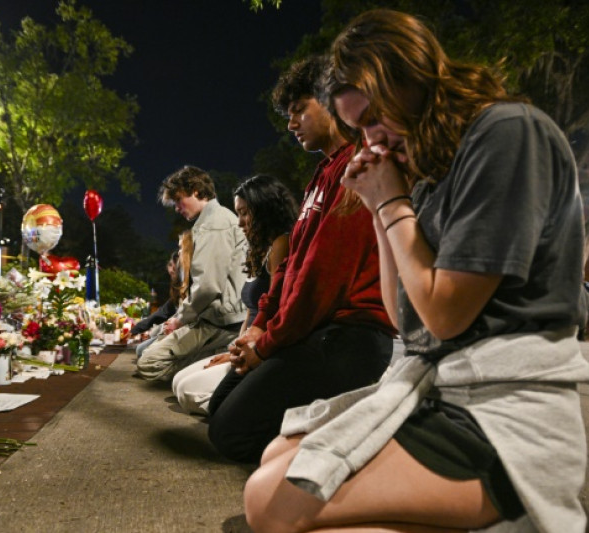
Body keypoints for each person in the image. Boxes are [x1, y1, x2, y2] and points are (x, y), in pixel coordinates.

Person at [243, 10, 589, 533]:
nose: (373, 142)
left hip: (503, 406)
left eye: (373, 119)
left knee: (268, 502)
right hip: (439, 384)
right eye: (361, 130)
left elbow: (448, 314)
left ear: (408, 82)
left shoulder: (507, 132)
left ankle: (518, 508)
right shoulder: (429, 168)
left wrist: (390, 204)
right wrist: (381, 206)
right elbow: (407, 319)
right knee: (277, 452)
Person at [207, 55, 396, 464]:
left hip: (350, 336)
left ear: (330, 102)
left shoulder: (359, 167)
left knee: (230, 433)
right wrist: (258, 329)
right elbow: (291, 268)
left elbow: (321, 278)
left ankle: (361, 444)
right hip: (311, 330)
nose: (291, 124)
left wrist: (269, 343)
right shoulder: (318, 177)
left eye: (298, 111)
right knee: (219, 406)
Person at [172, 175, 297, 415]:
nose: (240, 223)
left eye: (245, 213)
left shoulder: (283, 243)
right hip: (246, 342)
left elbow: (274, 311)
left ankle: (251, 408)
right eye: (237, 214)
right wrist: (233, 350)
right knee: (179, 382)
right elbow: (252, 311)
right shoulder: (259, 249)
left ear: (266, 210)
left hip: (266, 349)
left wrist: (239, 356)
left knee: (188, 392)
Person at [135, 166, 247, 381]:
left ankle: (212, 362)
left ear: (196, 190)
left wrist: (180, 320)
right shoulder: (212, 220)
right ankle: (204, 361)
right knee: (146, 350)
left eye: (178, 200)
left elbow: (207, 287)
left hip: (221, 323)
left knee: (149, 363)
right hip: (215, 317)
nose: (177, 208)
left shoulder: (214, 224)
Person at [131, 248, 183, 361]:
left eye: (173, 271)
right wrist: (137, 329)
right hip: (171, 330)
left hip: (182, 331)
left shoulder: (187, 287)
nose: (171, 272)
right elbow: (161, 313)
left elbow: (164, 314)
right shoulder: (176, 290)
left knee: (141, 351)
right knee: (140, 350)